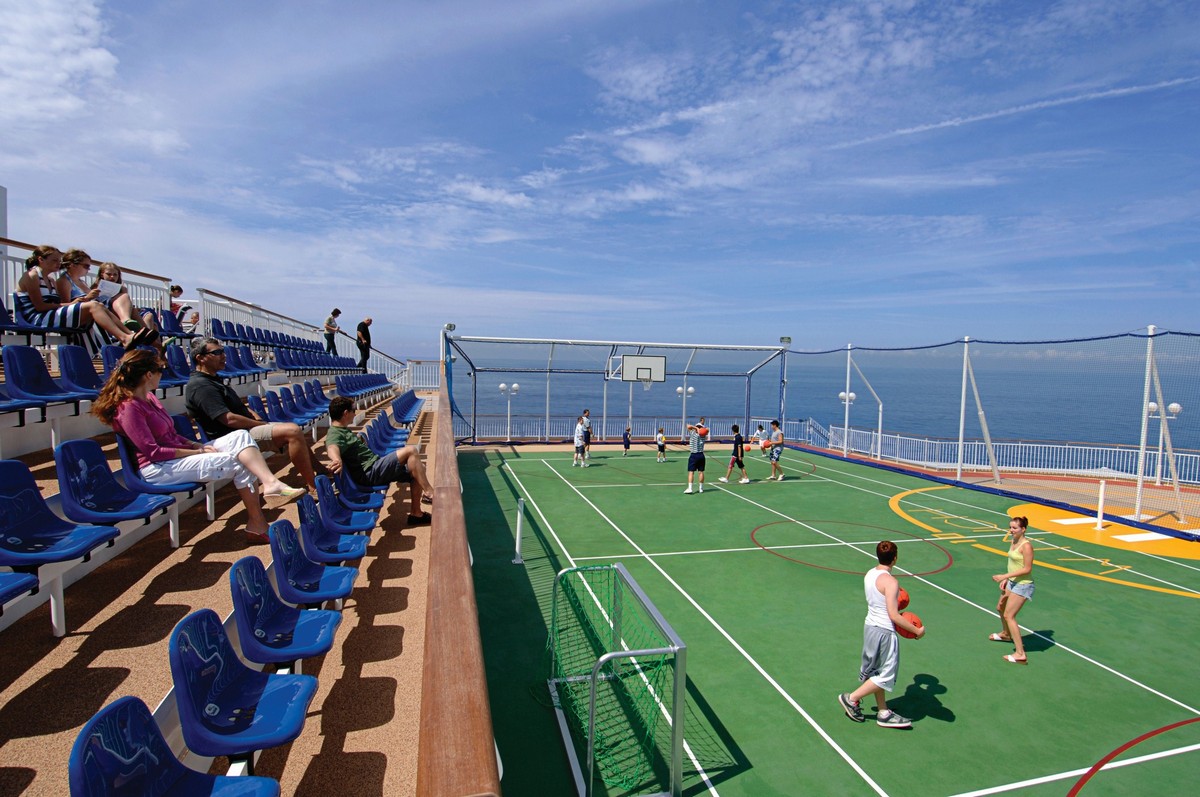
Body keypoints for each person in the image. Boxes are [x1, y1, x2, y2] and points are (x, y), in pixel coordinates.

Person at [92, 349, 303, 544]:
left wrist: (194, 444)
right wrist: (197, 450)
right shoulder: (128, 408)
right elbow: (153, 452)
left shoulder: (149, 399)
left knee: (239, 437)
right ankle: (257, 524)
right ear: (148, 374)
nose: (162, 374)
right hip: (157, 469)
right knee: (237, 460)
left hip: (176, 458)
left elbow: (172, 434)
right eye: (160, 370)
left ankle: (270, 483)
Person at [184, 337, 320, 491]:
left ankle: (321, 470)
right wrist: (260, 424)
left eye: (223, 351)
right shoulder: (201, 386)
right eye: (217, 352)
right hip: (231, 437)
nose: (223, 355)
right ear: (200, 358)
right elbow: (229, 419)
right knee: (292, 431)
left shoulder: (214, 380)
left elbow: (241, 407)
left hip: (243, 431)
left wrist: (257, 418)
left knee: (293, 430)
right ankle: (313, 487)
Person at [838, 540, 925, 729]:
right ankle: (851, 699)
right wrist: (917, 630)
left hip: (870, 626)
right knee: (886, 675)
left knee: (876, 670)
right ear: (895, 558)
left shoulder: (870, 574)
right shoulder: (891, 582)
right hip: (885, 631)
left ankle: (883, 711)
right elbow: (893, 615)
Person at [15, 245, 152, 354]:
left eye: (59, 260)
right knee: (94, 306)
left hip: (49, 314)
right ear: (41, 259)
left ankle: (130, 335)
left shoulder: (50, 280)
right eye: (54, 260)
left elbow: (54, 303)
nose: (59, 263)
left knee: (99, 306)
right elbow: (39, 306)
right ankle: (124, 338)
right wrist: (71, 304)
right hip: (38, 318)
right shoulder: (32, 276)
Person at [325, 396, 433, 525]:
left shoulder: (342, 430)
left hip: (374, 467)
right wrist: (337, 459)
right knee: (411, 451)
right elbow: (331, 446)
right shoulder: (334, 433)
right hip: (370, 472)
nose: (355, 413)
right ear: (345, 413)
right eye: (354, 410)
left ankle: (416, 514)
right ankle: (430, 493)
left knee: (418, 469)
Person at [989, 516, 1035, 664]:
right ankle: (1006, 634)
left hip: (1023, 585)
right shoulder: (1013, 541)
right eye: (1010, 527)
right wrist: (1007, 580)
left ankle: (1020, 653)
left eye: (1015, 528)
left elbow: (1027, 569)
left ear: (1023, 529)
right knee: (1000, 607)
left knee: (1009, 616)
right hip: (1012, 582)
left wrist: (1005, 576)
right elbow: (1013, 563)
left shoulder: (1026, 546)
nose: (1011, 530)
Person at [683, 417, 708, 494]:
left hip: (693, 455)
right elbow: (707, 430)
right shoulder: (703, 436)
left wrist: (695, 427)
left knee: (691, 472)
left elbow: (688, 426)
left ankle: (690, 488)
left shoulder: (693, 434)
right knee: (701, 472)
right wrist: (700, 429)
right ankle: (701, 488)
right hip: (701, 455)